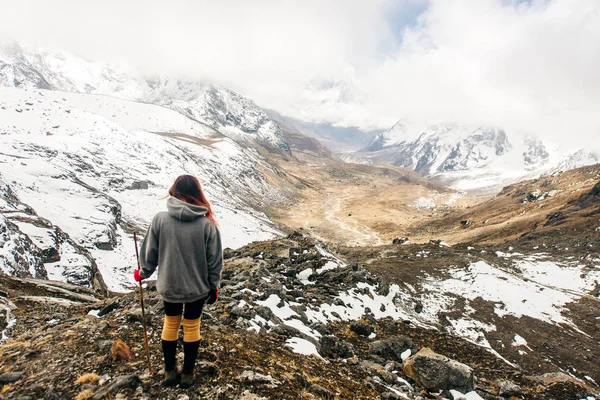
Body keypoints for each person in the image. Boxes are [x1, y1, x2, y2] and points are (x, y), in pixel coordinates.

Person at [133, 174, 223, 388]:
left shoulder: (160, 219)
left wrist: (143, 273)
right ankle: (188, 374)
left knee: (171, 323)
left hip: (169, 285)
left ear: (174, 191)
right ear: (197, 194)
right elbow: (214, 261)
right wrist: (214, 286)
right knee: (192, 326)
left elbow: (150, 252)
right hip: (197, 288)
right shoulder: (207, 225)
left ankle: (170, 372)